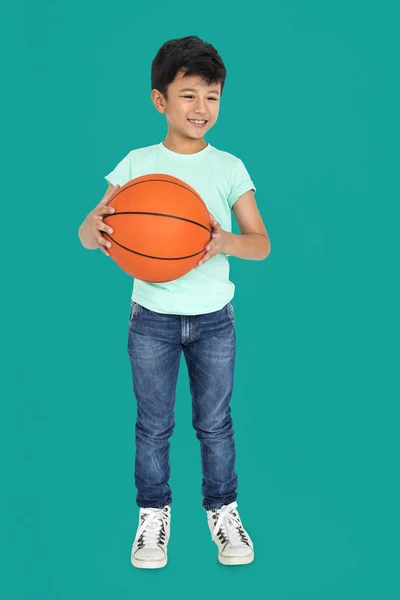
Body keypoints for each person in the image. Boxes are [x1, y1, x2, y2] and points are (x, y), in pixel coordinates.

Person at [78, 35, 271, 569]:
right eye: (188, 95)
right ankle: (152, 518)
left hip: (214, 321)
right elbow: (87, 233)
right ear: (160, 101)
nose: (201, 108)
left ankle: (224, 513)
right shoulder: (137, 163)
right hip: (152, 320)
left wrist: (222, 240)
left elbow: (261, 244)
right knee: (153, 424)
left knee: (215, 423)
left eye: (212, 97)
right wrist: (92, 228)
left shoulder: (229, 167)